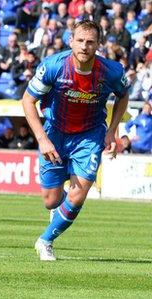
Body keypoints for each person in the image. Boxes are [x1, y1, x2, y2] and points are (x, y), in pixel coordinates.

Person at [22, 20, 129, 261]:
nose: (84, 46)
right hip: (55, 133)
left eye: (90, 42)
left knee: (79, 193)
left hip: (90, 135)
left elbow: (123, 96)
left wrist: (112, 130)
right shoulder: (53, 66)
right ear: (71, 41)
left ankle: (45, 240)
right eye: (80, 41)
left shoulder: (111, 71)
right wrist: (42, 139)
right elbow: (27, 101)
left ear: (98, 45)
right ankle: (59, 211)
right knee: (50, 201)